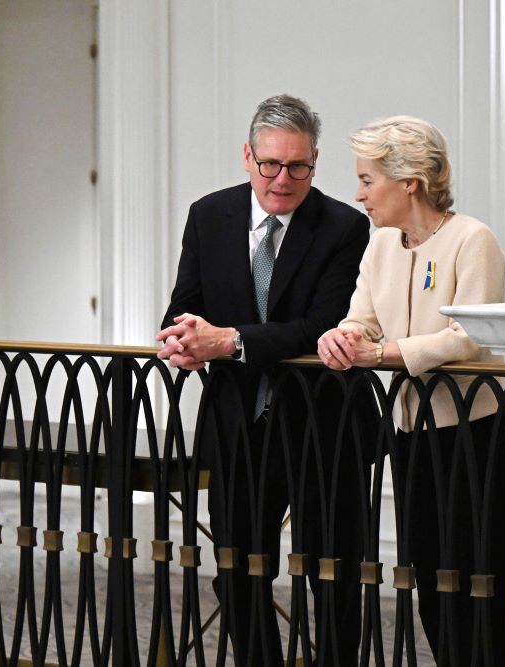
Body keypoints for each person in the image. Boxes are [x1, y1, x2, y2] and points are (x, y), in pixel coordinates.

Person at [157, 94, 371, 665]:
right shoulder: (209, 215)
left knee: (332, 575)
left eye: (298, 166)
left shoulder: (345, 226)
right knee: (237, 570)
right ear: (247, 157)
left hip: (323, 423)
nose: (283, 179)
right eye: (271, 164)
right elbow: (183, 306)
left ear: (315, 161)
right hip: (237, 423)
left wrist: (227, 341)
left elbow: (321, 325)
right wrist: (182, 339)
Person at [316, 116, 505, 665]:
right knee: (428, 579)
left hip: (478, 434)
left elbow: (473, 334)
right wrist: (342, 338)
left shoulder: (472, 239)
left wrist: (383, 354)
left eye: (367, 180)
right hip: (413, 434)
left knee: (477, 583)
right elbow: (361, 319)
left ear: (409, 181)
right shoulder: (382, 244)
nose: (358, 193)